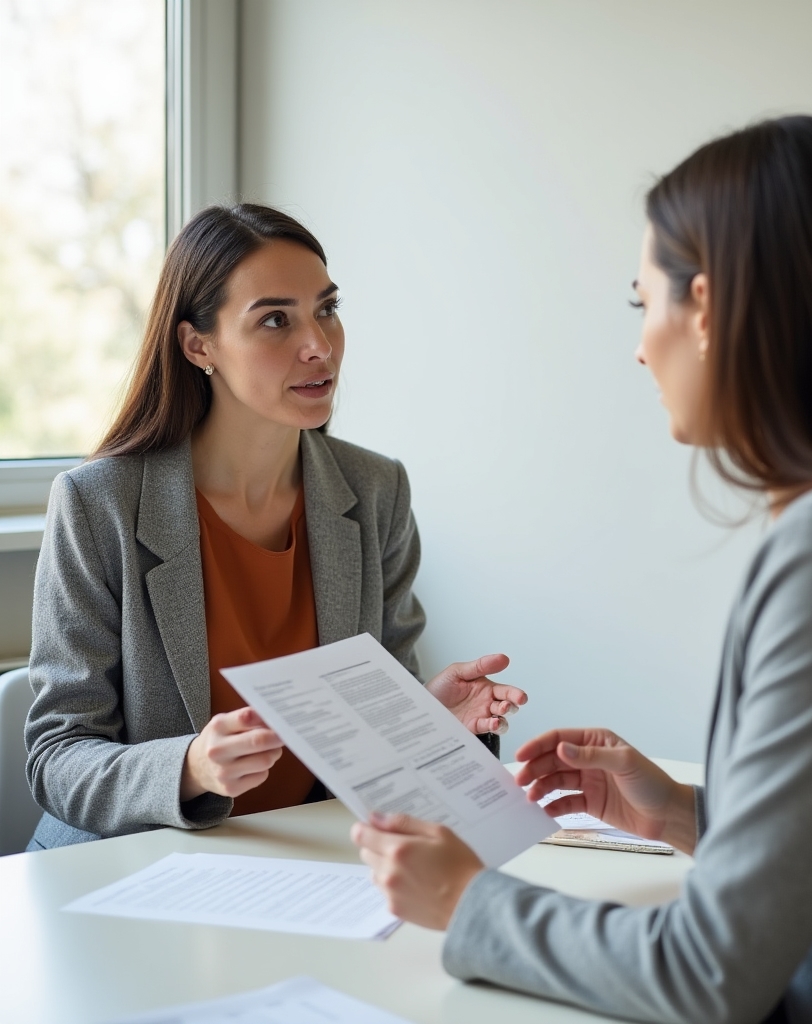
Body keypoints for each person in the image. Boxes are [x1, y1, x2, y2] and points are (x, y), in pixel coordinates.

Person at [351, 117, 812, 1023]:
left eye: (643, 304)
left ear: (705, 307)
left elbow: (713, 975)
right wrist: (679, 815)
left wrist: (465, 901)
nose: (639, 348)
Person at [25, 204, 525, 850]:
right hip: (129, 868)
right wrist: (189, 769)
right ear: (198, 345)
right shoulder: (99, 505)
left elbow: (373, 737)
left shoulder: (375, 492)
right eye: (274, 320)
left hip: (311, 861)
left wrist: (428, 721)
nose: (318, 344)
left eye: (327, 308)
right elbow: (57, 756)